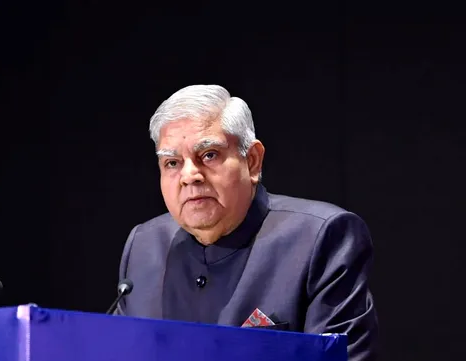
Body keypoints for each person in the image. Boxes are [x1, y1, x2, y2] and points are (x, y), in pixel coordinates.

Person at [115, 84, 378, 361]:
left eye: (209, 155)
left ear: (252, 161)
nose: (189, 175)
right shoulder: (144, 245)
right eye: (172, 163)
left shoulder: (320, 238)